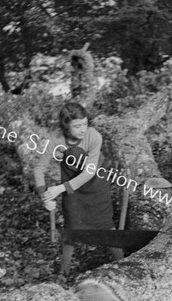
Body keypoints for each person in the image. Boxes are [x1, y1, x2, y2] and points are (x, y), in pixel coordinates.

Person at [34, 102, 123, 275]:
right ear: (66, 127)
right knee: (72, 227)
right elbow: (39, 168)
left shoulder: (94, 136)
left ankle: (124, 265)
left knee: (105, 225)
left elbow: (89, 171)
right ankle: (64, 272)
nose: (83, 129)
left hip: (96, 179)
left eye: (85, 124)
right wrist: (44, 196)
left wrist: (60, 188)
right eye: (77, 126)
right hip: (72, 183)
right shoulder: (55, 139)